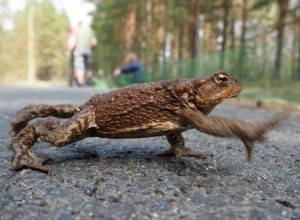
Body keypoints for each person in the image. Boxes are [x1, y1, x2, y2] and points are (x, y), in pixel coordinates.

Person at [71, 20, 97, 86]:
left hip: (78, 50)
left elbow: (73, 41)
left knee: (79, 66)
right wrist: (92, 48)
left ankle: (80, 81)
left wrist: (71, 49)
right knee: (88, 67)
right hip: (88, 50)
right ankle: (87, 80)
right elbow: (94, 42)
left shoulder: (77, 30)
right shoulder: (90, 30)